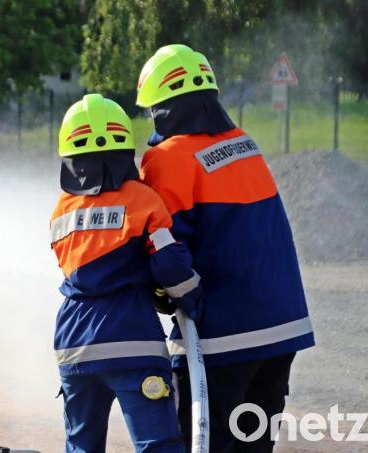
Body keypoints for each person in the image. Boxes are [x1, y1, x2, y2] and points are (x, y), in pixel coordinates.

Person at [135, 44, 316, 452]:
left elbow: (165, 247)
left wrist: (162, 293)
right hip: (283, 327)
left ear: (165, 107)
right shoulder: (243, 143)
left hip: (223, 336)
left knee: (200, 442)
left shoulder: (168, 158)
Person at [50, 93, 202, 453]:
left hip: (73, 345)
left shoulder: (61, 210)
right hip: (132, 339)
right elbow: (170, 264)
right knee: (157, 447)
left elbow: (76, 268)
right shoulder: (142, 199)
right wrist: (192, 299)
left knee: (81, 447)